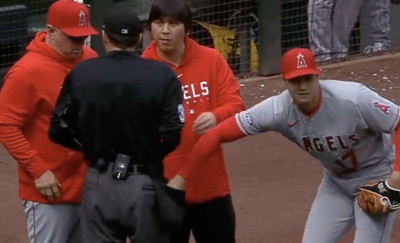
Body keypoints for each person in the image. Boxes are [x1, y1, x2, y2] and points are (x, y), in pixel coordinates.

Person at [181, 47, 400, 243]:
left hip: (377, 178)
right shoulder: (277, 110)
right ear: (285, 82)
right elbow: (217, 134)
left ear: (317, 77)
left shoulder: (353, 98)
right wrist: (179, 179)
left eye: (308, 78)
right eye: (296, 81)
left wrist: (395, 179)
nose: (303, 86)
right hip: (337, 184)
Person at [48, 6, 186, 243]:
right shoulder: (162, 74)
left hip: (99, 180)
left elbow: (58, 129)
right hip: (144, 181)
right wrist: (149, 154)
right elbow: (173, 134)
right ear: (140, 37)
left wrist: (89, 145)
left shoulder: (82, 73)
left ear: (103, 36)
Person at [141, 0, 245, 242]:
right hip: (163, 188)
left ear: (187, 29)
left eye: (173, 24)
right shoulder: (142, 70)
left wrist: (215, 116)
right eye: (158, 23)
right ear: (150, 28)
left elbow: (236, 105)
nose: (164, 30)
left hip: (211, 185)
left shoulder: (211, 59)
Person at [0, 1, 98, 242]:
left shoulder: (91, 59)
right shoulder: (26, 72)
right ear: (51, 31)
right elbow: (5, 124)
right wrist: (38, 170)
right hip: (49, 192)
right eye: (73, 37)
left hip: (88, 187)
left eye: (83, 37)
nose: (80, 44)